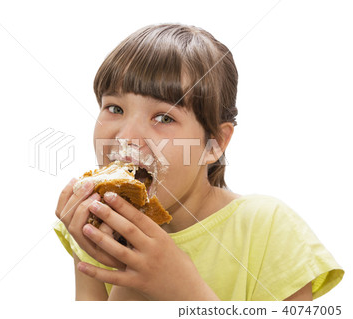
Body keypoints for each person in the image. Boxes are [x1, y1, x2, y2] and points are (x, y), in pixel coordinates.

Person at [54, 23, 343, 300]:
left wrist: (183, 291)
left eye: (164, 117)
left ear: (214, 143)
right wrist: (124, 268)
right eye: (115, 108)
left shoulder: (268, 228)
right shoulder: (93, 227)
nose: (127, 136)